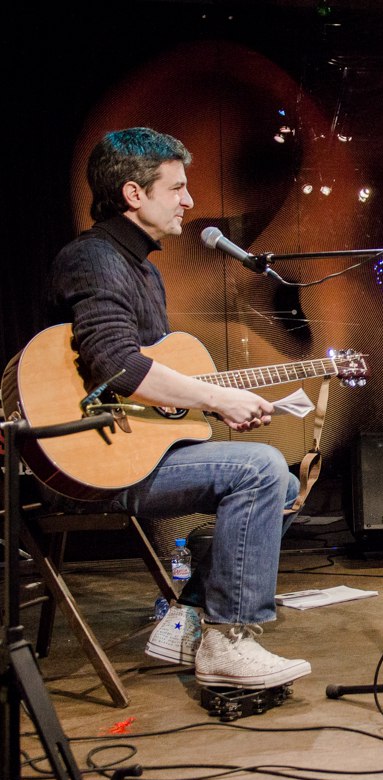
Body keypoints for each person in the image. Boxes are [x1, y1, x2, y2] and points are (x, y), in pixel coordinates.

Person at [46, 128, 310, 690]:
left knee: (283, 483)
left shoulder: (142, 269)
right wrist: (216, 397)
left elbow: (151, 393)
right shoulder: (93, 258)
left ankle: (188, 618)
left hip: (131, 451)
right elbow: (116, 366)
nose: (189, 201)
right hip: (93, 463)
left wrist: (218, 404)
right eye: (176, 188)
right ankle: (228, 639)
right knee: (262, 469)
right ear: (133, 194)